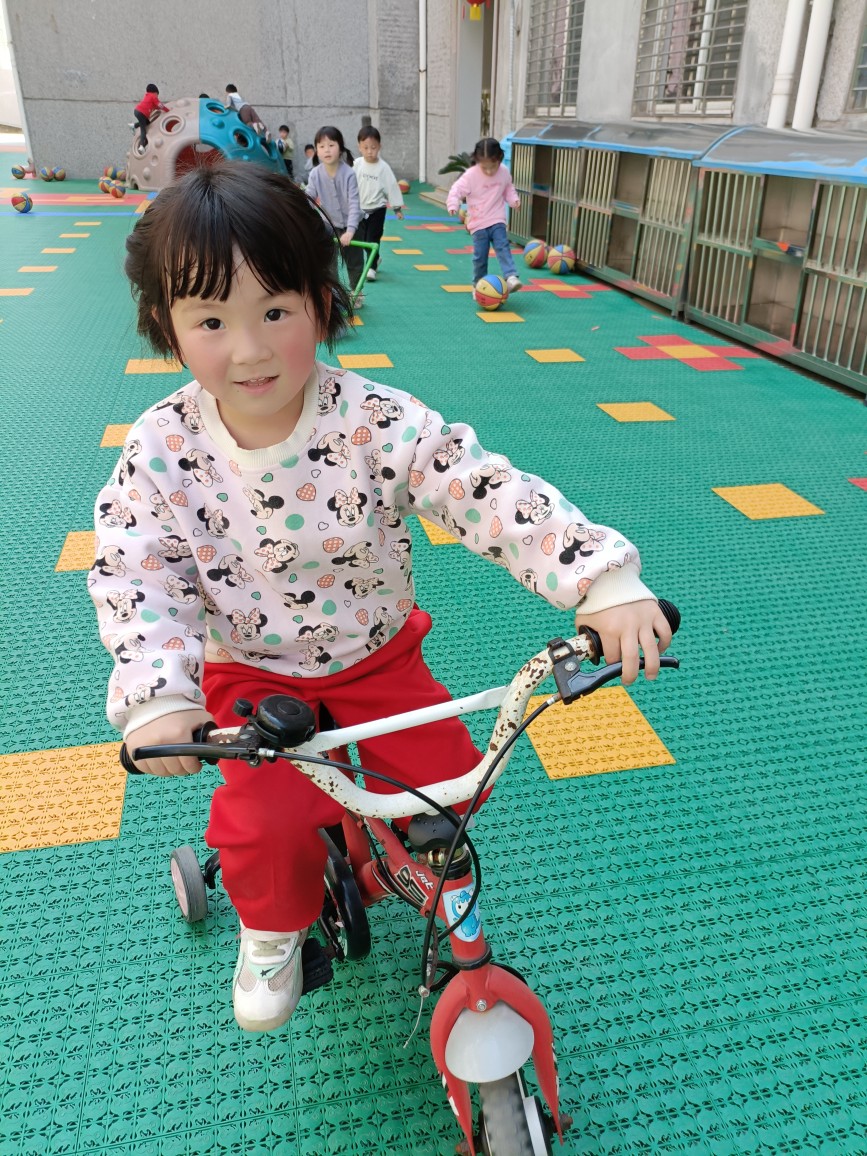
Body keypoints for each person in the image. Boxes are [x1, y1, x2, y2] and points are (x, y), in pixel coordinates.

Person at [89, 161, 670, 1036]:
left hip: (378, 660)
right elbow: (138, 572)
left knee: (448, 788)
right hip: (252, 678)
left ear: (323, 301)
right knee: (263, 827)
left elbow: (482, 491)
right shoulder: (162, 449)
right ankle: (272, 932)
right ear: (164, 327)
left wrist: (601, 579)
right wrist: (157, 699)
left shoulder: (373, 420)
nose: (248, 350)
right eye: (211, 321)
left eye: (275, 312)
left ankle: (387, 855)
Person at [446, 137, 522, 292]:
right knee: (480, 256)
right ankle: (478, 285)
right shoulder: (471, 175)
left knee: (503, 246)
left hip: (497, 218)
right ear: (477, 160)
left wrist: (514, 200)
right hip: (478, 222)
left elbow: (508, 188)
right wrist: (453, 204)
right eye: (484, 167)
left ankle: (510, 276)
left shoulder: (504, 172)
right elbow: (456, 190)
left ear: (499, 159)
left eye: (493, 167)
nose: (489, 171)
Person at [305, 126, 364, 299]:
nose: (327, 150)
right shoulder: (315, 174)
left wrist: (350, 231)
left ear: (340, 148)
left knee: (354, 262)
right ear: (317, 150)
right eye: (322, 146)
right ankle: (334, 294)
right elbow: (309, 199)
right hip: (329, 226)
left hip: (351, 226)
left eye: (331, 145)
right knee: (329, 263)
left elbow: (354, 204)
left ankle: (357, 292)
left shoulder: (349, 174)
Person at [352, 125, 404, 282]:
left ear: (379, 147)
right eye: (366, 147)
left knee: (373, 238)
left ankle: (372, 267)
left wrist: (397, 208)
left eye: (373, 148)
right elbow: (348, 182)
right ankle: (376, 257)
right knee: (362, 240)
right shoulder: (356, 164)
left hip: (377, 209)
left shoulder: (383, 168)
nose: (369, 151)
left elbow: (392, 187)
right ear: (359, 147)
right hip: (359, 209)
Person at [133, 84, 169, 153]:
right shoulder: (153, 96)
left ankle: (134, 125)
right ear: (155, 92)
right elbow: (159, 105)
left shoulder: (148, 96)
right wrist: (167, 110)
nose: (157, 97)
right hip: (141, 113)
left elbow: (155, 106)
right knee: (143, 130)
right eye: (157, 95)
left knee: (147, 122)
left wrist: (159, 109)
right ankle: (141, 146)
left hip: (137, 111)